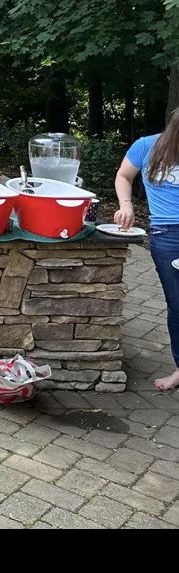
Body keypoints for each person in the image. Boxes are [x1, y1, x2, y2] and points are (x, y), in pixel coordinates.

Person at [114, 111, 179, 394]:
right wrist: (126, 205)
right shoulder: (146, 146)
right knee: (177, 305)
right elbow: (123, 175)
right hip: (166, 236)